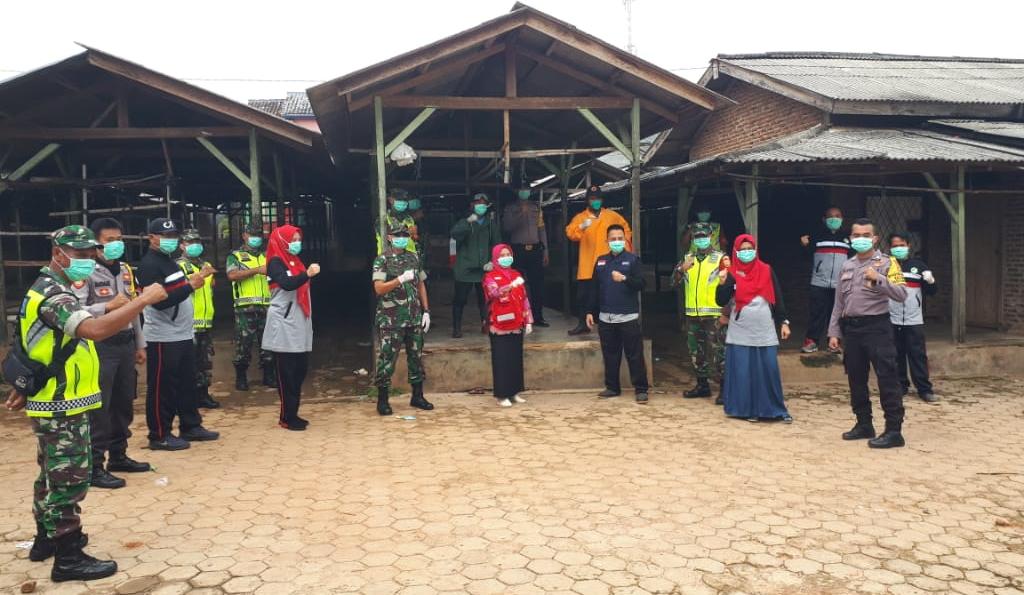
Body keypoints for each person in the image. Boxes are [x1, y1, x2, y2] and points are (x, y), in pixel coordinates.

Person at [5, 225, 167, 582]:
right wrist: (142, 301)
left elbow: (30, 340)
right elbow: (93, 329)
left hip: (58, 398)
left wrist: (28, 382)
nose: (86, 259)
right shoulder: (53, 294)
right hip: (62, 402)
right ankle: (69, 557)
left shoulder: (49, 289)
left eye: (89, 253)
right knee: (70, 477)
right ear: (58, 253)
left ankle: (45, 539)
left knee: (51, 472)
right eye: (78, 254)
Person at [67, 218, 149, 490]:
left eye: (118, 239)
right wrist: (107, 307)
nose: (115, 245)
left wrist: (140, 344)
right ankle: (94, 466)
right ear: (96, 245)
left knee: (123, 402)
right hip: (100, 345)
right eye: (109, 240)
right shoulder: (85, 272)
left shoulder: (126, 269)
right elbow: (75, 312)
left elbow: (134, 307)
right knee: (100, 407)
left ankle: (119, 455)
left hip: (125, 344)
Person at [136, 218, 220, 451]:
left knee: (186, 382)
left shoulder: (169, 262)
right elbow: (159, 301)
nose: (170, 240)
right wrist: (191, 286)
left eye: (173, 235)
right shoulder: (149, 265)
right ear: (151, 237)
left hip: (182, 333)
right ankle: (159, 434)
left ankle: (190, 425)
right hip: (163, 335)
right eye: (165, 236)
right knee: (163, 386)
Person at [828, 218, 908, 449]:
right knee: (856, 378)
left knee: (887, 377)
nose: (861, 239)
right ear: (851, 238)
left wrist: (879, 278)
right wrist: (834, 331)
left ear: (875, 238)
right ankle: (864, 423)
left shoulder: (887, 263)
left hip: (877, 328)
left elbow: (902, 293)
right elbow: (838, 302)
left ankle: (894, 430)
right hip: (851, 329)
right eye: (856, 235)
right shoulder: (847, 265)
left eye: (866, 235)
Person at [715, 235, 793, 421]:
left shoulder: (766, 270)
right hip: (741, 330)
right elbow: (720, 300)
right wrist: (722, 282)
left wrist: (783, 322)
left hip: (764, 328)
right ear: (736, 252)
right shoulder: (731, 272)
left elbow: (777, 297)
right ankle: (746, 410)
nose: (746, 252)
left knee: (768, 369)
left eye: (750, 248)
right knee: (743, 372)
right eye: (742, 250)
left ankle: (774, 410)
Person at [262, 224, 320, 430]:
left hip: (299, 319)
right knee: (286, 372)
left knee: (300, 369)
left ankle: (293, 412)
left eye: (298, 239)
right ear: (282, 241)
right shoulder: (275, 262)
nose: (297, 243)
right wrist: (308, 274)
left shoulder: (295, 260)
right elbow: (286, 283)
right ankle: (287, 417)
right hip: (284, 321)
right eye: (292, 239)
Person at [372, 224, 434, 415]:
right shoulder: (382, 259)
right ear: (389, 237)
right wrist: (399, 279)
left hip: (414, 316)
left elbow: (421, 284)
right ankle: (383, 400)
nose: (402, 238)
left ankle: (417, 396)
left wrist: (426, 311)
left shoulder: (413, 257)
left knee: (416, 357)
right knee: (387, 360)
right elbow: (379, 288)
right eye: (398, 235)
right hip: (391, 319)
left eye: (405, 235)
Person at [586, 224, 649, 403]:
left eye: (619, 238)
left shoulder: (633, 260)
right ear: (607, 241)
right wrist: (590, 311)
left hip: (628, 316)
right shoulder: (600, 261)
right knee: (610, 354)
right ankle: (612, 387)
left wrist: (625, 279)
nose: (616, 241)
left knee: (634, 354)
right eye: (612, 239)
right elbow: (594, 289)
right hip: (606, 317)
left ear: (625, 240)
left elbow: (642, 284)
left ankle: (641, 389)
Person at [565, 184, 632, 335]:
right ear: (587, 200)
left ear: (602, 200)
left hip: (608, 264)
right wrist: (581, 227)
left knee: (608, 295)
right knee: (584, 296)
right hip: (588, 264)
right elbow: (570, 234)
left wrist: (623, 249)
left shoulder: (612, 216)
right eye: (592, 199)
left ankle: (609, 325)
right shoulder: (581, 217)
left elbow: (626, 230)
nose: (595, 201)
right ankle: (583, 324)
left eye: (598, 199)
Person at [672, 223, 726, 401]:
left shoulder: (720, 258)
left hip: (714, 315)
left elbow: (731, 285)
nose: (700, 239)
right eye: (697, 236)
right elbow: (673, 282)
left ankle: (725, 389)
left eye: (704, 236)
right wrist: (681, 269)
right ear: (693, 239)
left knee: (719, 352)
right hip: (693, 315)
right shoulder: (688, 258)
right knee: (696, 352)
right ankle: (702, 385)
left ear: (711, 236)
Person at [888, 232, 938, 403]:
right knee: (896, 354)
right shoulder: (887, 265)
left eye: (901, 245)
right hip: (892, 318)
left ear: (908, 245)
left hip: (914, 319)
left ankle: (924, 389)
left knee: (917, 355)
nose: (898, 248)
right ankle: (901, 386)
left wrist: (930, 281)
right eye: (895, 246)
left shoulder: (918, 265)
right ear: (890, 248)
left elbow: (932, 292)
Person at [483, 244, 534, 407]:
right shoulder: (490, 276)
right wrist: (509, 287)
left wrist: (529, 320)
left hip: (517, 322)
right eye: (502, 255)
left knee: (515, 358)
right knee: (501, 359)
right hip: (499, 324)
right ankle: (502, 394)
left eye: (508, 254)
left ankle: (514, 392)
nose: (506, 257)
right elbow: (493, 293)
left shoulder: (516, 274)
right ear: (496, 258)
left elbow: (524, 298)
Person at [226, 224, 275, 391]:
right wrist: (256, 270)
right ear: (244, 235)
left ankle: (268, 375)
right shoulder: (235, 256)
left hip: (266, 305)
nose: (256, 238)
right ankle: (241, 377)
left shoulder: (266, 255)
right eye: (252, 234)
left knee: (268, 342)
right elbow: (232, 275)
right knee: (244, 343)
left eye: (258, 235)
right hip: (245, 307)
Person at [177, 229, 219, 409]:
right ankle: (187, 398)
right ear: (181, 246)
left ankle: (203, 395)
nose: (195, 245)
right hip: (188, 323)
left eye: (197, 242)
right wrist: (202, 275)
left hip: (206, 321)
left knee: (204, 362)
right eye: (189, 242)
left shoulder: (206, 264)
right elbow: (180, 289)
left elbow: (210, 289)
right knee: (188, 363)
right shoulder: (178, 266)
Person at [801, 206, 853, 353]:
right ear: (824, 219)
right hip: (819, 282)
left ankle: (834, 342)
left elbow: (854, 259)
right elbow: (805, 257)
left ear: (842, 219)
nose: (834, 219)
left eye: (837, 216)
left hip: (840, 283)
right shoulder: (816, 236)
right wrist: (804, 245)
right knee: (817, 313)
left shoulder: (847, 238)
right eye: (831, 217)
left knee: (837, 313)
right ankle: (812, 341)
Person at [450, 192, 500, 338]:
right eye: (478, 203)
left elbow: (497, 244)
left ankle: (486, 324)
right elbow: (454, 234)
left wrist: (493, 261)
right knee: (459, 299)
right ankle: (457, 328)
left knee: (485, 300)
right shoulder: (464, 222)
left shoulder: (490, 224)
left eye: (484, 204)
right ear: (472, 205)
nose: (481, 206)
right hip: (465, 269)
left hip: (484, 269)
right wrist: (468, 222)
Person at [502, 186, 550, 327]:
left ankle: (538, 316)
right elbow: (507, 227)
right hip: (518, 250)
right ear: (517, 191)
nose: (525, 192)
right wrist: (520, 214)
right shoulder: (510, 208)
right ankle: (519, 316)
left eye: (527, 189)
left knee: (537, 285)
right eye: (522, 189)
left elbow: (541, 229)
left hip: (535, 249)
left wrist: (545, 251)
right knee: (517, 285)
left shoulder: (536, 207)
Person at [375, 188, 420, 256]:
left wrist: (414, 234)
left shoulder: (409, 219)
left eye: (404, 201)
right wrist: (406, 231)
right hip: (389, 259)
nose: (402, 203)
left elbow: (414, 238)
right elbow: (385, 235)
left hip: (410, 259)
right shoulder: (383, 219)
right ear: (391, 200)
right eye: (399, 200)